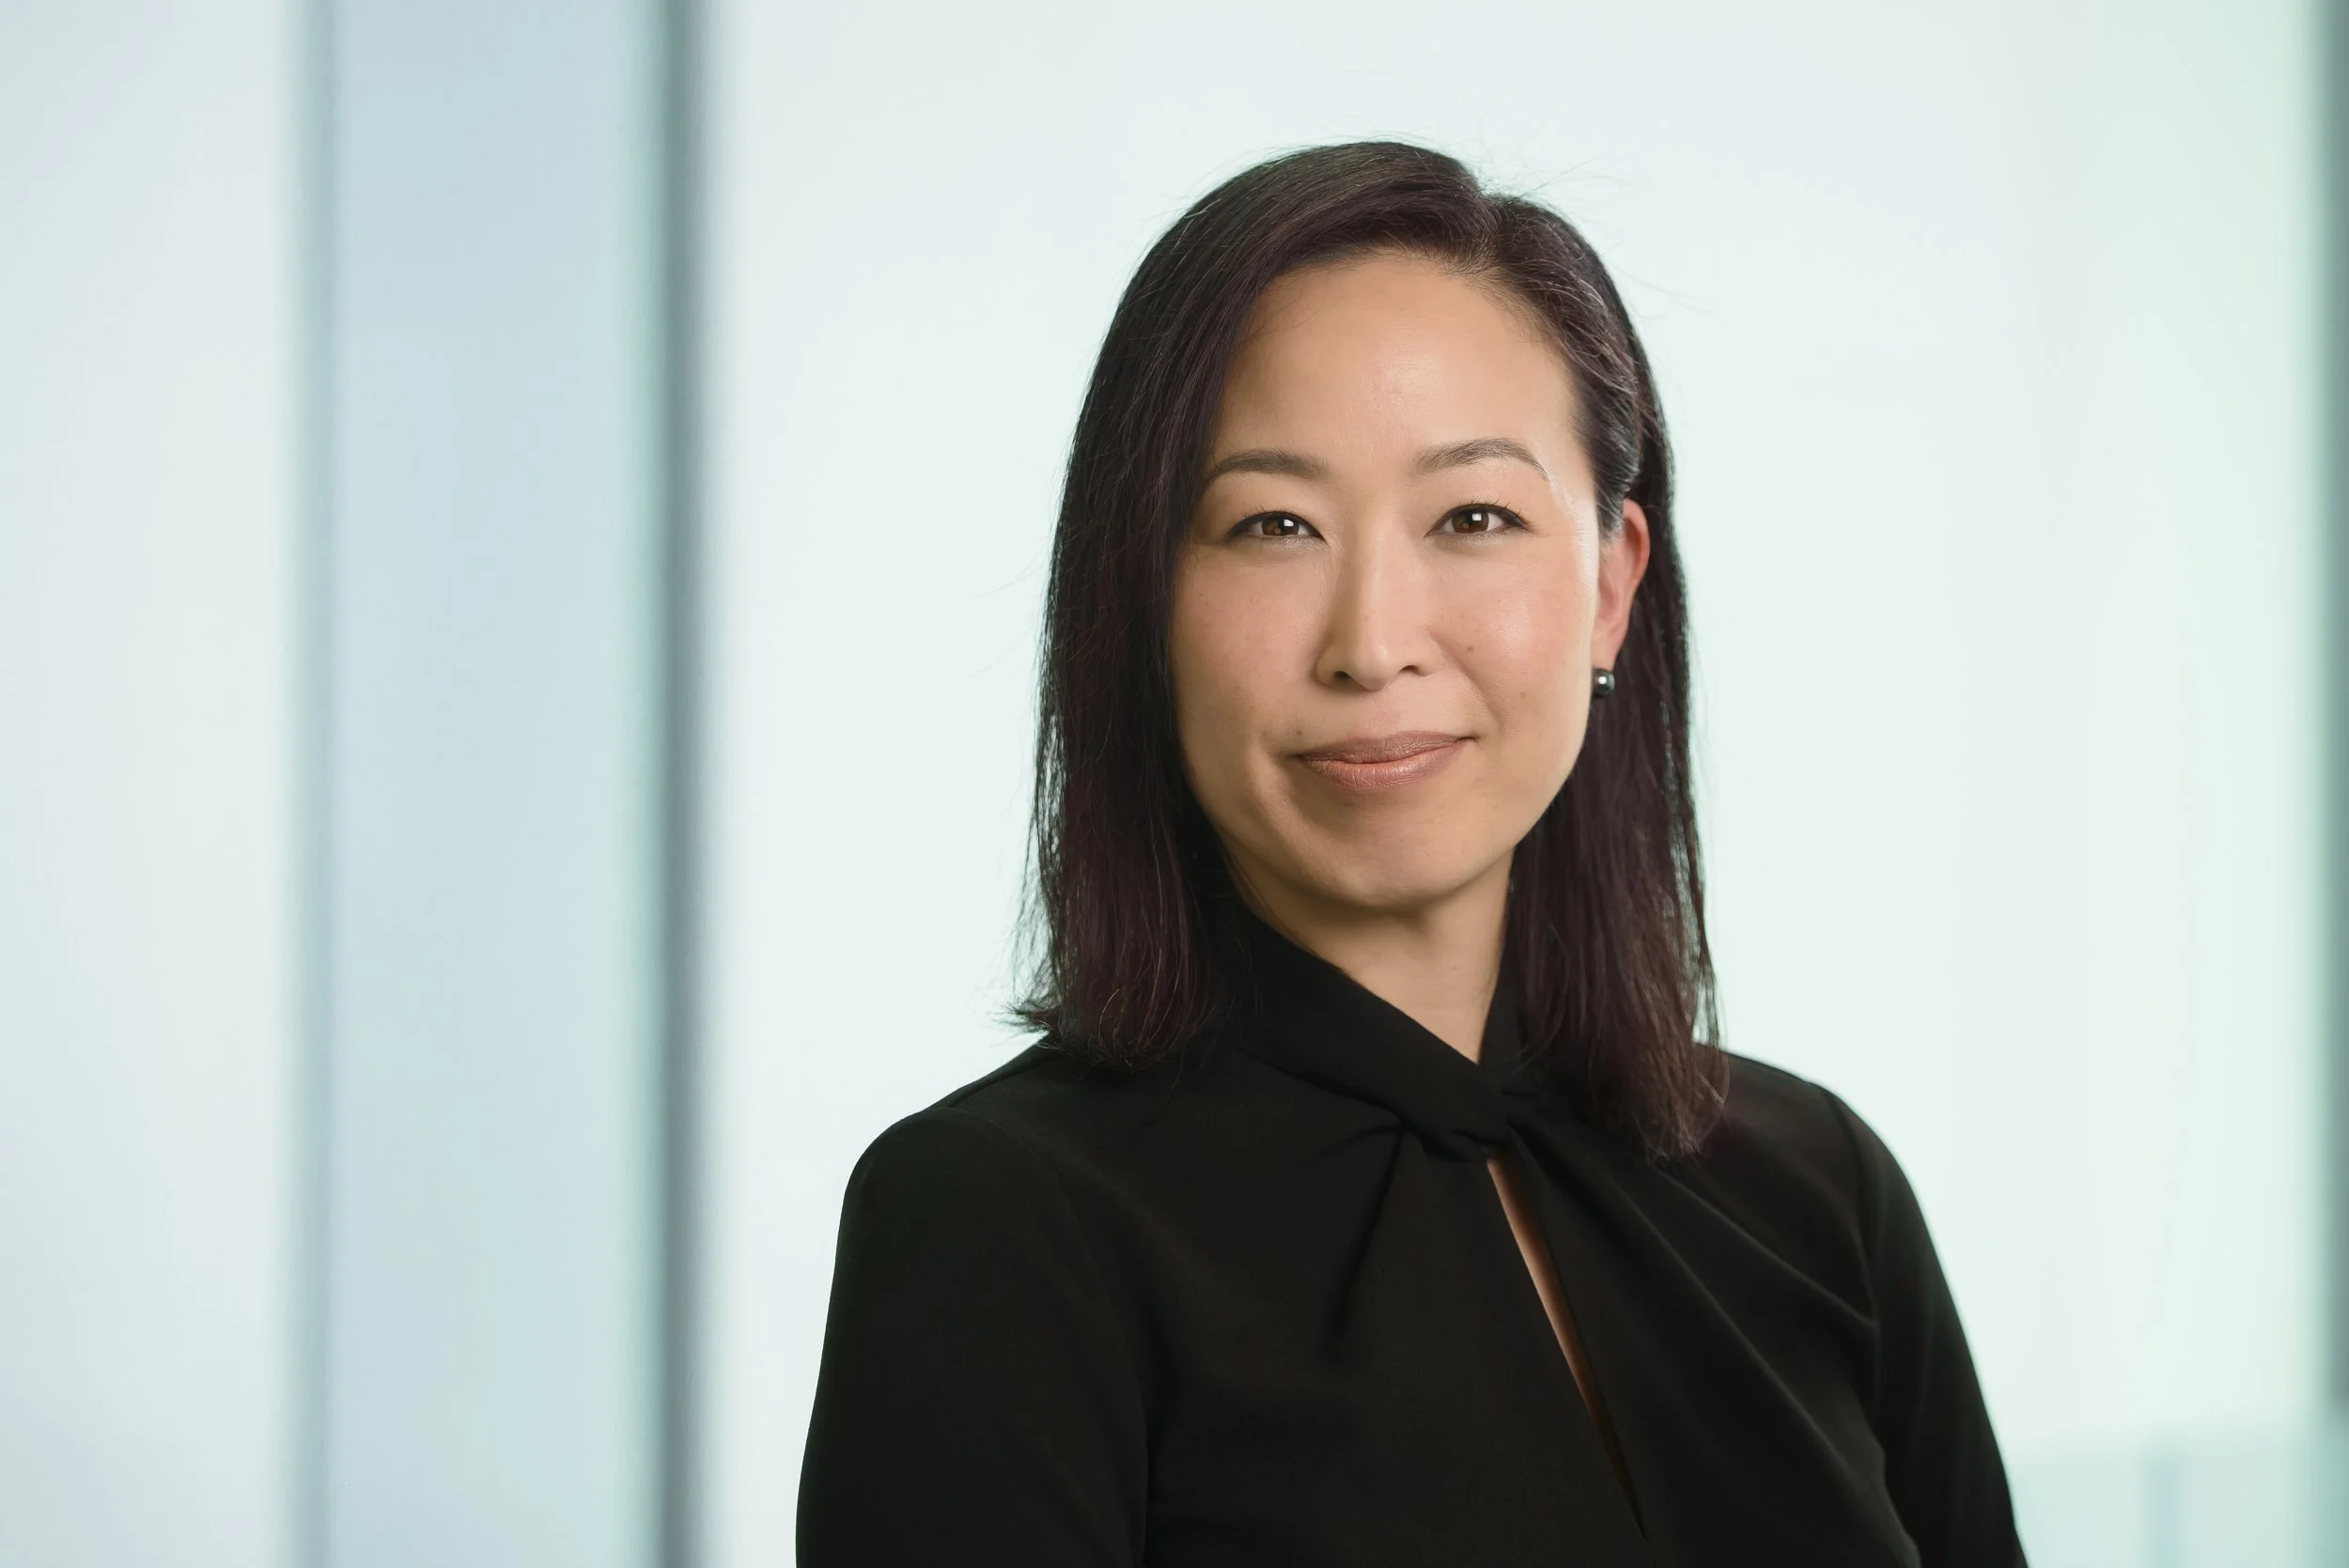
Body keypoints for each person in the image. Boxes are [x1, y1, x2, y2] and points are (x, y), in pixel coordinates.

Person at [795, 141, 2025, 1566]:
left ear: (1614, 583)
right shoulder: (996, 1226)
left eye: (1475, 517)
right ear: (1145, 598)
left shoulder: (1819, 1188)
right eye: (1273, 525)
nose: (1372, 643)